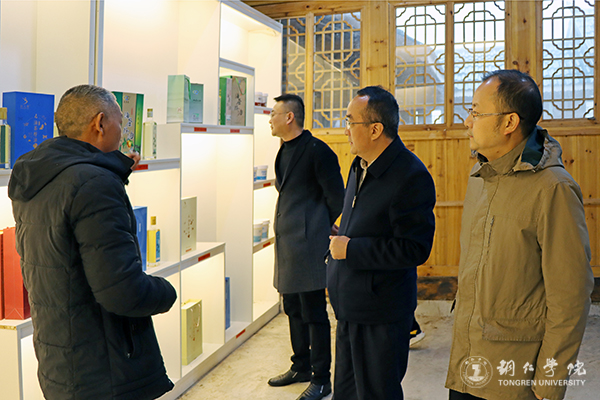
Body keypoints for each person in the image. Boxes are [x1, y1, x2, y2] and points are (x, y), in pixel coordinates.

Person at [8, 84, 177, 400]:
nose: (122, 131)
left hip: (61, 358)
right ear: (99, 123)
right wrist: (166, 292)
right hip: (106, 366)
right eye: (120, 122)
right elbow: (122, 292)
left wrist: (115, 170)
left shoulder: (37, 174)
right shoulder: (93, 183)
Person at [445, 70, 594, 400]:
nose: (467, 122)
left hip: (513, 376)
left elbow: (570, 297)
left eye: (476, 112)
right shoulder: (480, 175)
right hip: (468, 364)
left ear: (509, 122)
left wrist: (549, 383)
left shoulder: (553, 188)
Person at [327, 86, 436, 400]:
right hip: (349, 306)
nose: (345, 130)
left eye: (350, 122)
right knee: (346, 393)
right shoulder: (359, 165)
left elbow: (414, 248)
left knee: (376, 393)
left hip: (380, 314)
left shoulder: (410, 175)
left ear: (375, 129)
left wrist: (350, 249)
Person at [268, 94, 344, 400]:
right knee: (292, 308)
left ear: (289, 117)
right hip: (287, 245)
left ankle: (321, 379)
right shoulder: (283, 149)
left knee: (314, 312)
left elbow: (336, 196)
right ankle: (300, 365)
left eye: (273, 114)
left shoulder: (317, 151)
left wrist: (321, 225)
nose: (270, 119)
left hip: (309, 246)